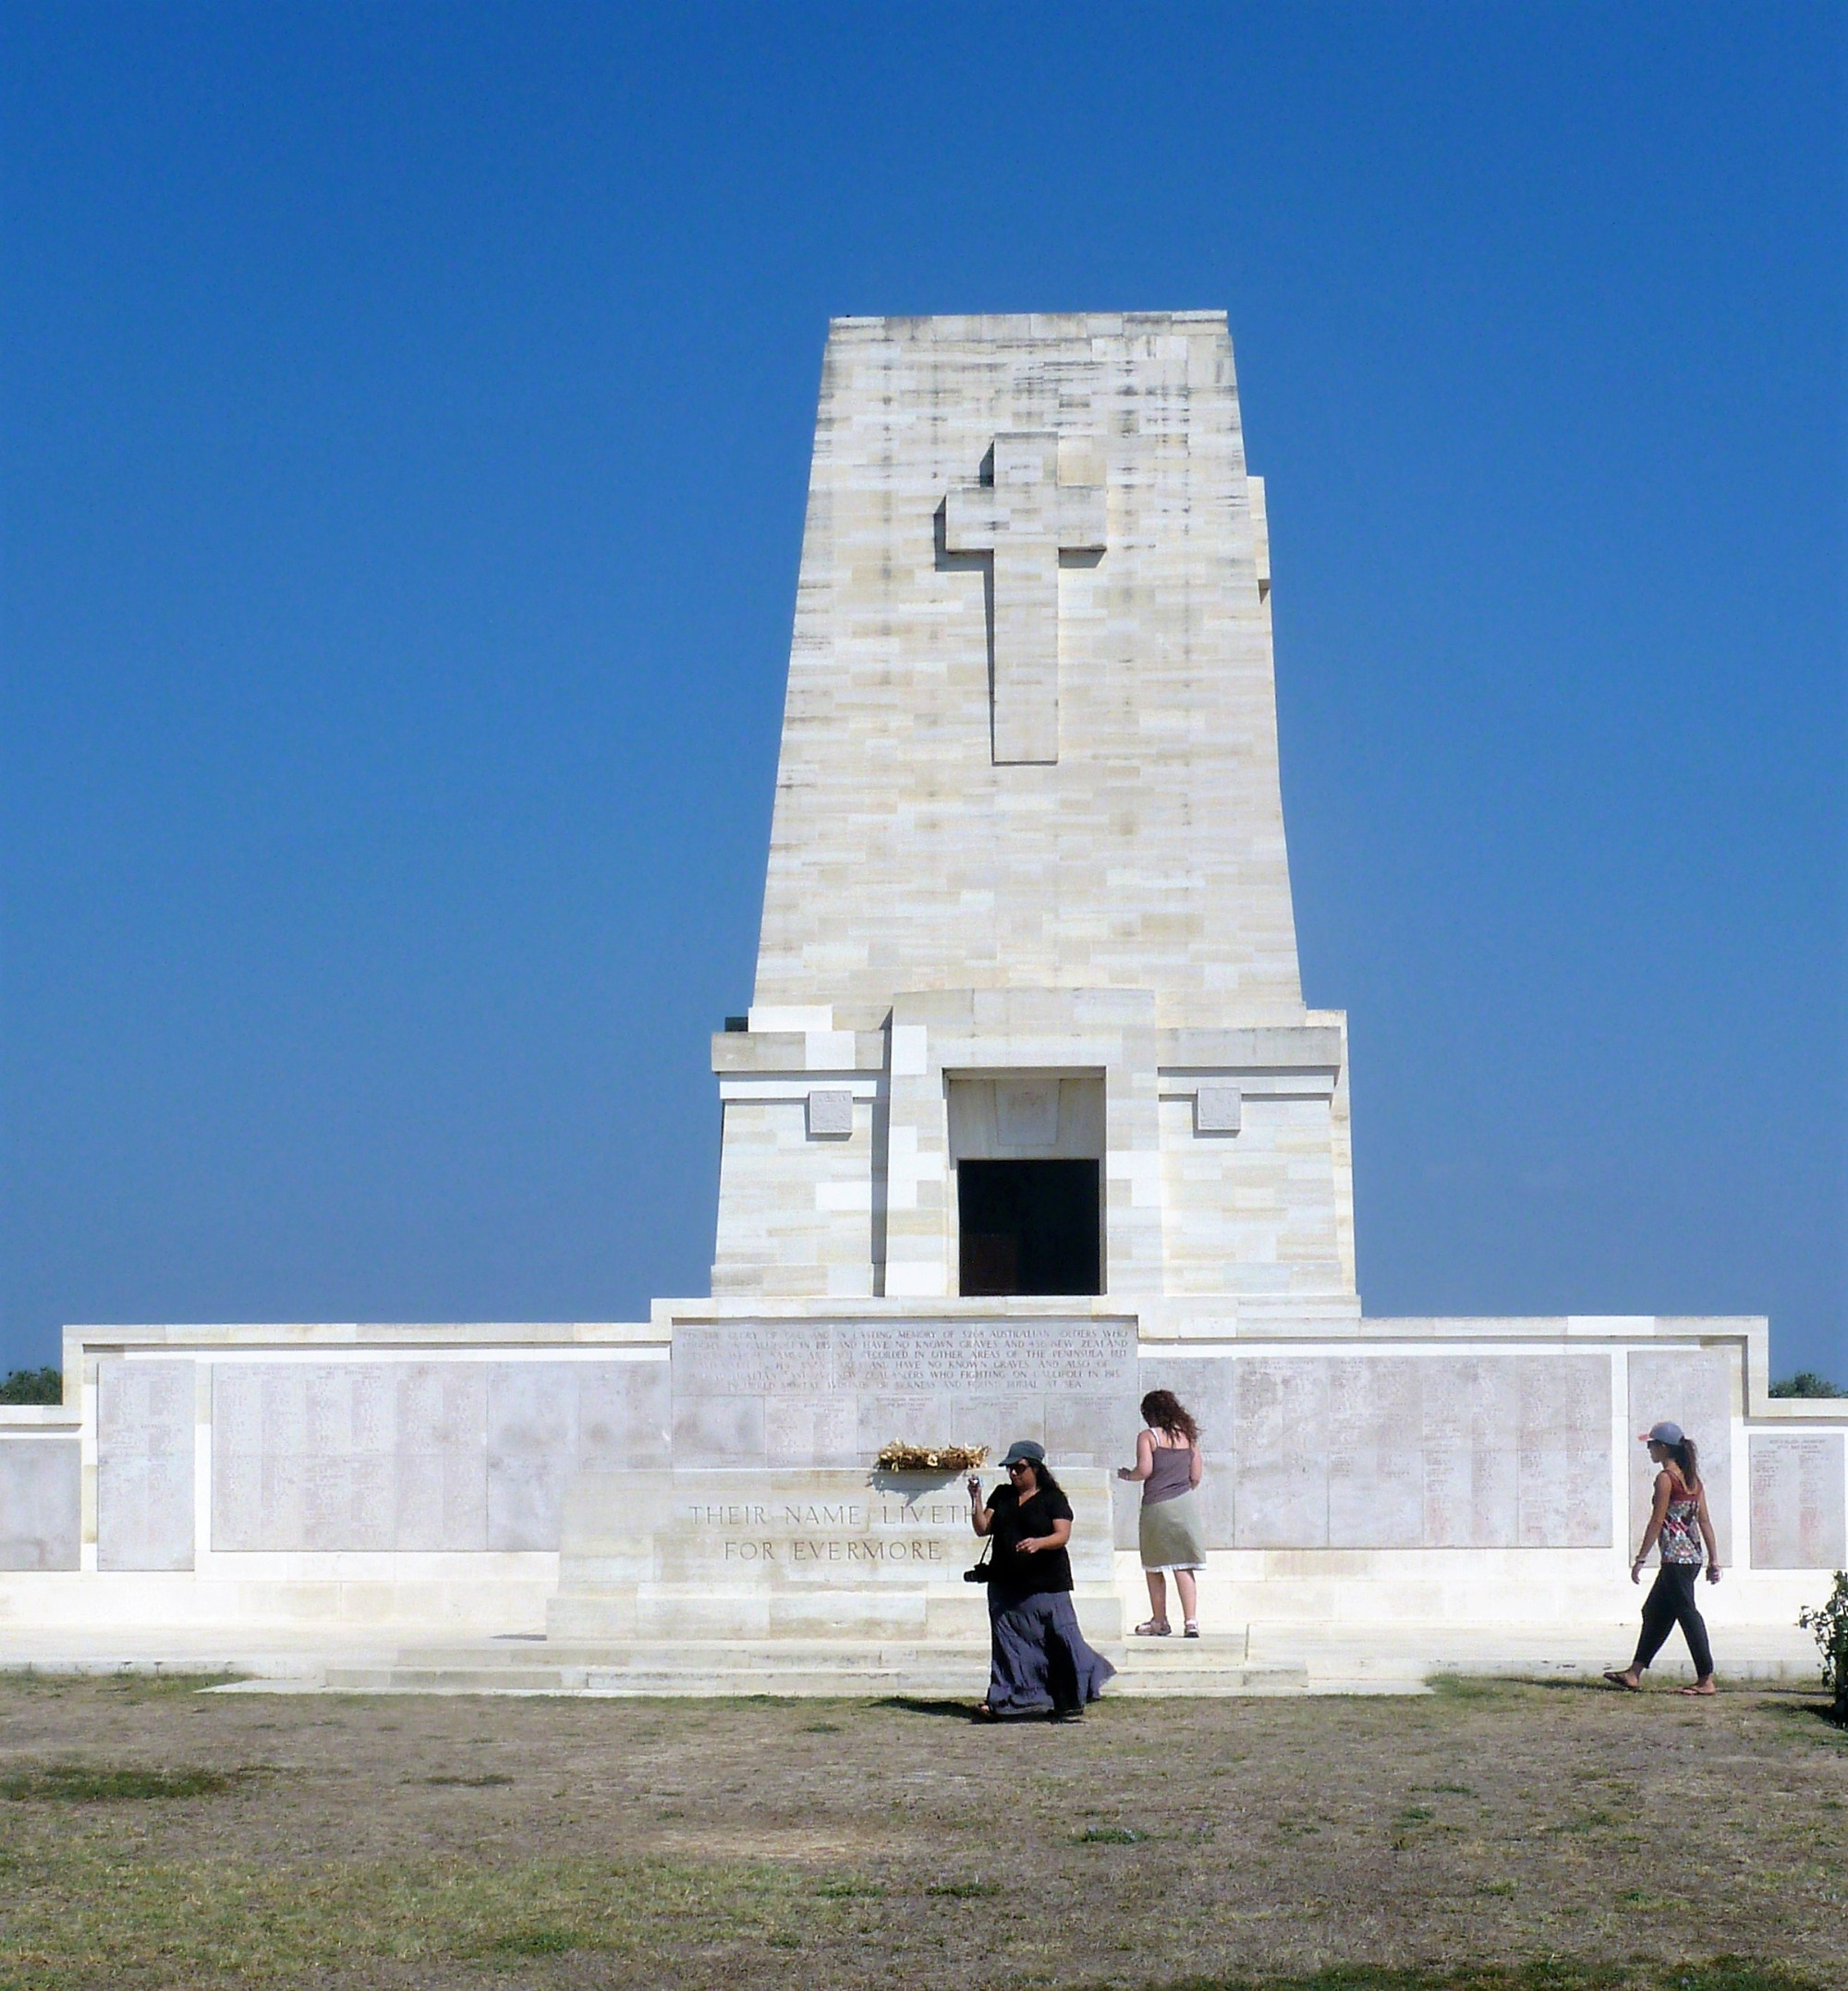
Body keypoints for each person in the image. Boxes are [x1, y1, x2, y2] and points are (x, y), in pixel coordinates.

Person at [967, 1439, 1115, 1722]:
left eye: (1019, 1468)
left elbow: (1062, 1535)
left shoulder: (1052, 1498)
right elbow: (982, 1528)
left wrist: (1039, 1543)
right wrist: (975, 1498)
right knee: (1008, 1645)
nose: (1013, 1473)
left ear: (1035, 1468)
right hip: (1004, 1582)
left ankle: (1075, 1690)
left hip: (1046, 1582)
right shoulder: (1002, 1495)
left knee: (1061, 1639)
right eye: (1010, 1468)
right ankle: (1005, 1699)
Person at [1604, 1420, 1721, 1696]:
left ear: (1664, 1447)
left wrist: (1641, 1558)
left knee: (1688, 1615)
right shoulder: (1692, 1480)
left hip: (1676, 1561)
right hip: (1690, 1559)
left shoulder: (1666, 1479)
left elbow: (1657, 1520)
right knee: (1654, 1612)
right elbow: (1704, 1522)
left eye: (1651, 1445)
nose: (1649, 1450)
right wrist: (1714, 1559)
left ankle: (1706, 1678)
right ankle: (1634, 1673)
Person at [1117, 1389, 1206, 1637]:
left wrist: (1127, 1475)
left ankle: (1160, 1620)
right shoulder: (1188, 1437)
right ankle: (1191, 1622)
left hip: (1157, 1505)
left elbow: (1145, 1469)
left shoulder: (1148, 1437)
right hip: (1185, 1504)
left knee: (1154, 1565)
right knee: (1184, 1564)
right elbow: (1196, 1475)